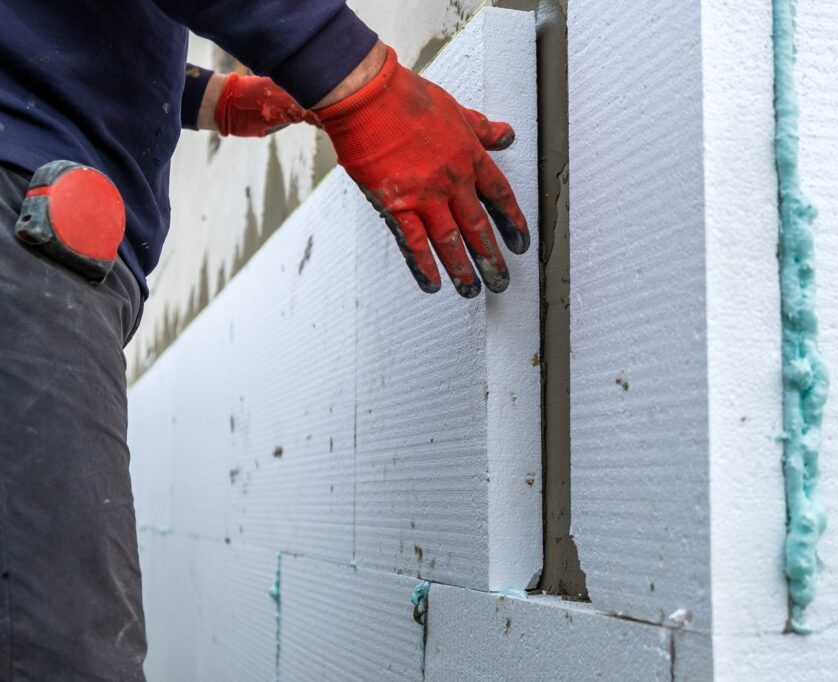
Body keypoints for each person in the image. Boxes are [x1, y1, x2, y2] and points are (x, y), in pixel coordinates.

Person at [0, 2, 529, 678]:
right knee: (58, 656)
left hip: (38, 219)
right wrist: (355, 77)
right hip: (25, 216)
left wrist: (201, 97)